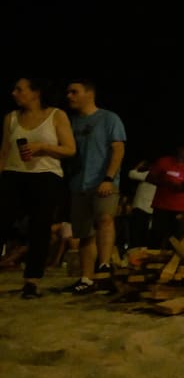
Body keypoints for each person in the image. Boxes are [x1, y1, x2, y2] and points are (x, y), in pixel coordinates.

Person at [0, 77, 77, 299]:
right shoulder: (11, 118)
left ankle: (31, 282)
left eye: (19, 89)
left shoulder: (56, 115)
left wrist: (42, 147)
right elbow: (4, 151)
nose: (14, 93)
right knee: (2, 222)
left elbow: (70, 149)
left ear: (36, 92)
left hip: (46, 176)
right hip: (14, 174)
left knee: (40, 228)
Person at [64, 78, 127, 293]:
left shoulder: (109, 118)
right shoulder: (71, 122)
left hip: (103, 182)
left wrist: (108, 178)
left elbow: (118, 149)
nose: (69, 96)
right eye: (68, 92)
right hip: (78, 183)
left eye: (74, 92)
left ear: (89, 94)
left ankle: (105, 266)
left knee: (105, 219)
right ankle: (86, 278)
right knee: (84, 233)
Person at [147, 143, 184, 248]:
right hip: (162, 206)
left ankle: (171, 256)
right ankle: (152, 254)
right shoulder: (163, 162)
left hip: (180, 209)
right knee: (157, 235)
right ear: (179, 149)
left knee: (176, 238)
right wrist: (166, 183)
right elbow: (149, 178)